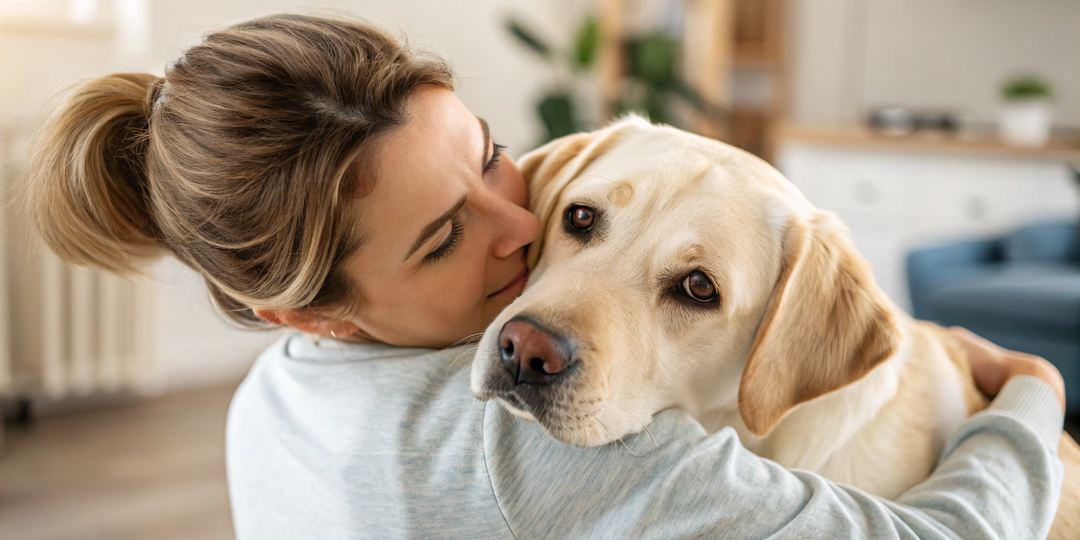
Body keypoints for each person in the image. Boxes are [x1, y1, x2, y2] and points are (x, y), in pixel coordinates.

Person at [27, 13, 1066, 540]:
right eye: (441, 239)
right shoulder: (531, 455)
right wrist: (1035, 396)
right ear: (312, 311)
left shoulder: (265, 399)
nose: (521, 225)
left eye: (489, 158)